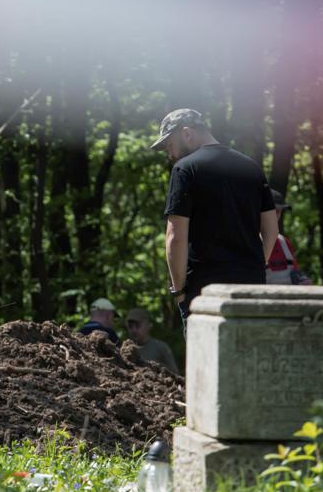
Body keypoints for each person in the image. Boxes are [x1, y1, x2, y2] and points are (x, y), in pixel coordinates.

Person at [151, 109, 278, 328]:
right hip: (251, 286)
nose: (169, 155)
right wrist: (254, 266)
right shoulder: (251, 168)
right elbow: (271, 229)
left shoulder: (185, 168)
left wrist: (179, 291)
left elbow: (176, 236)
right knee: (249, 357)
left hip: (204, 290)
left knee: (207, 360)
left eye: (169, 146)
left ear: (187, 133)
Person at [266, 189, 312, 285]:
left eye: (278, 211)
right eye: (272, 210)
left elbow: (295, 273)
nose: (276, 215)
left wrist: (302, 280)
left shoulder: (284, 243)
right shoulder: (249, 243)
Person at [125, 308, 179, 374]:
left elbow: (175, 374)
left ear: (149, 325)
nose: (134, 330)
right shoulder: (125, 350)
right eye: (130, 327)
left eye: (137, 326)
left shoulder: (161, 348)